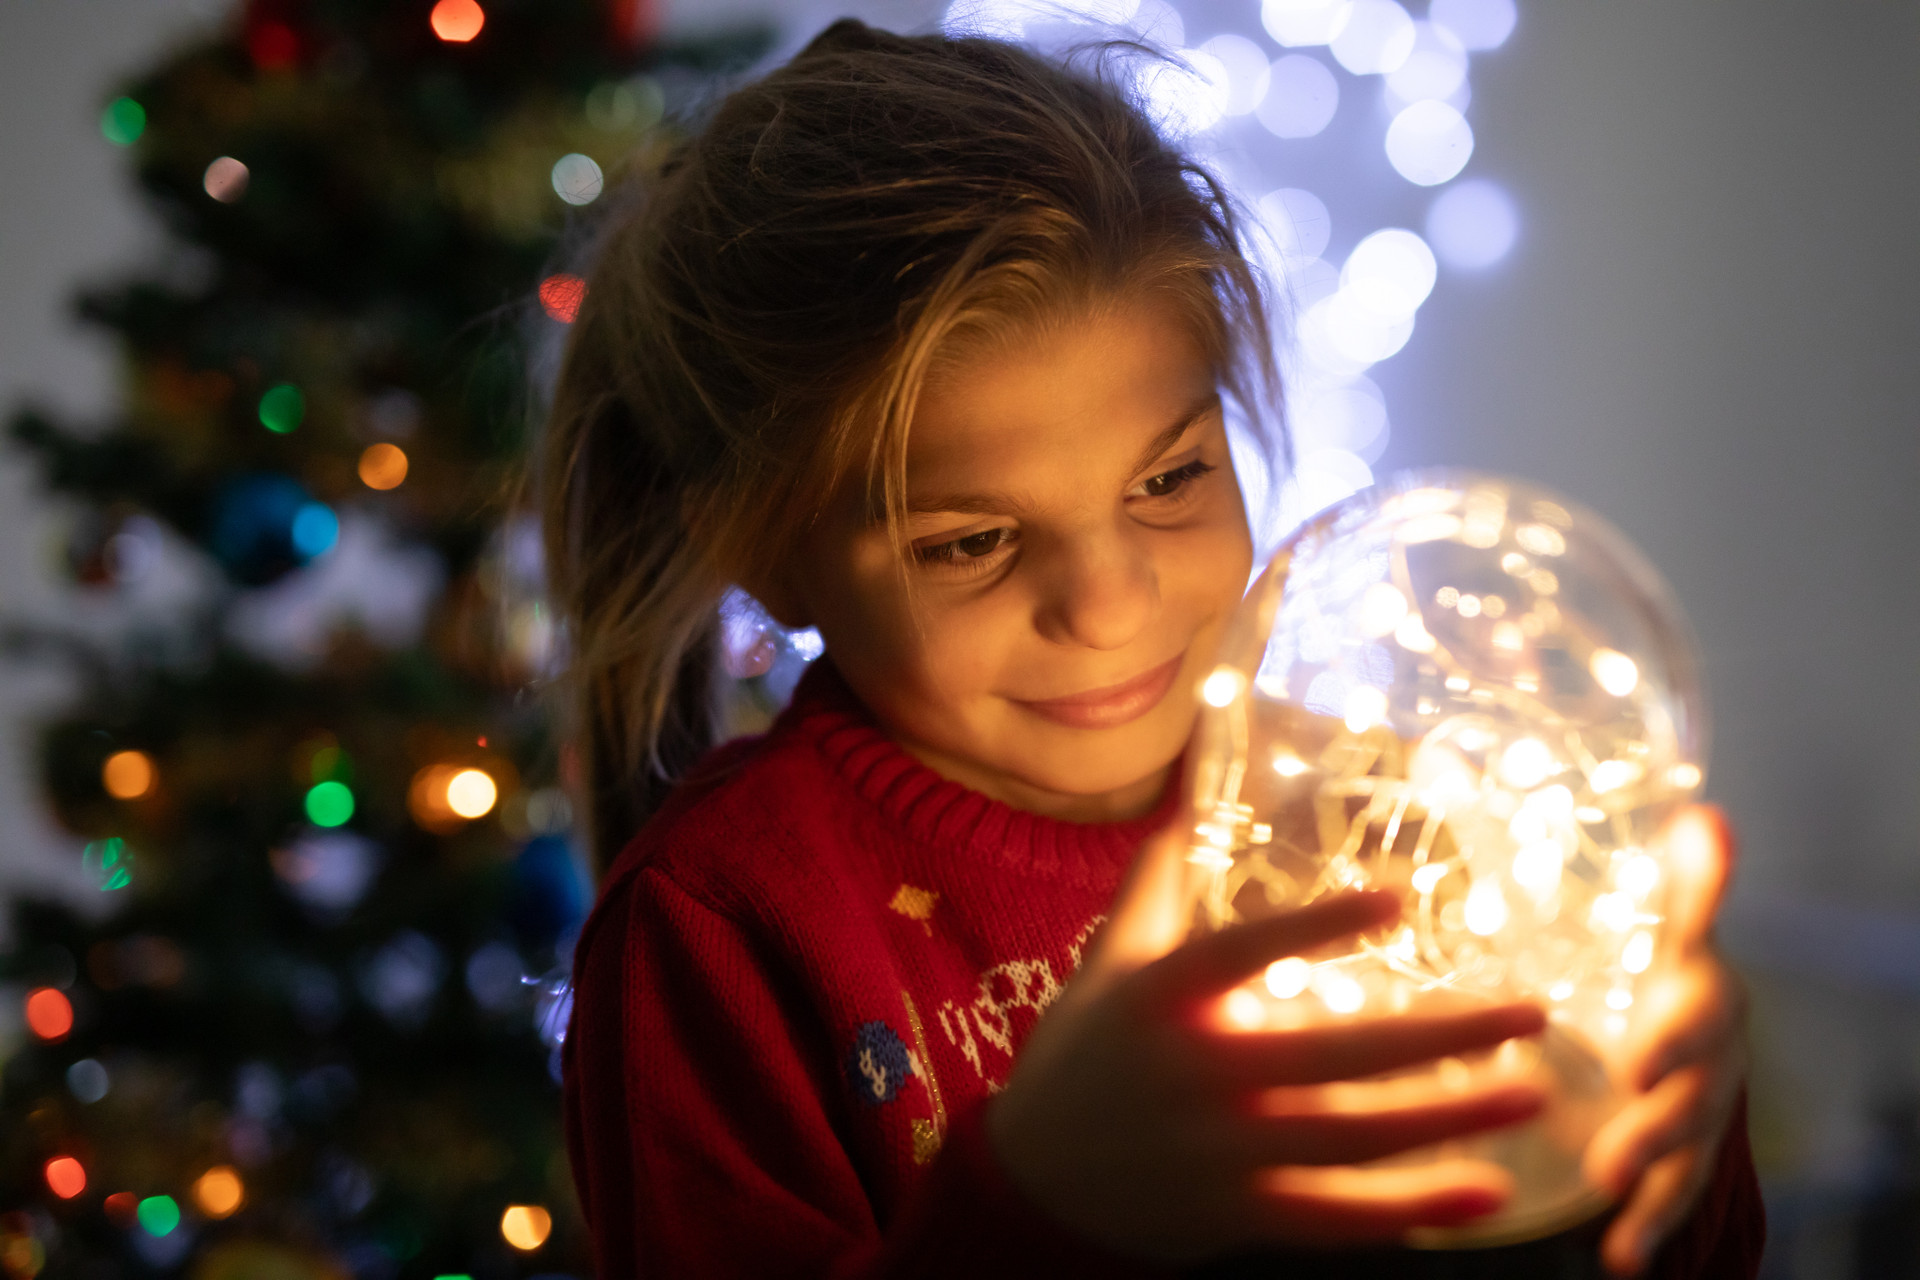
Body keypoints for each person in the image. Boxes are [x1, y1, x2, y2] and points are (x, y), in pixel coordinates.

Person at [544, 19, 1760, 1278]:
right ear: (772, 556)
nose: (1111, 604)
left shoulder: (1372, 827)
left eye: (1172, 475)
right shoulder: (724, 926)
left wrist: (1668, 1145)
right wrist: (1042, 1204)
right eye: (971, 542)